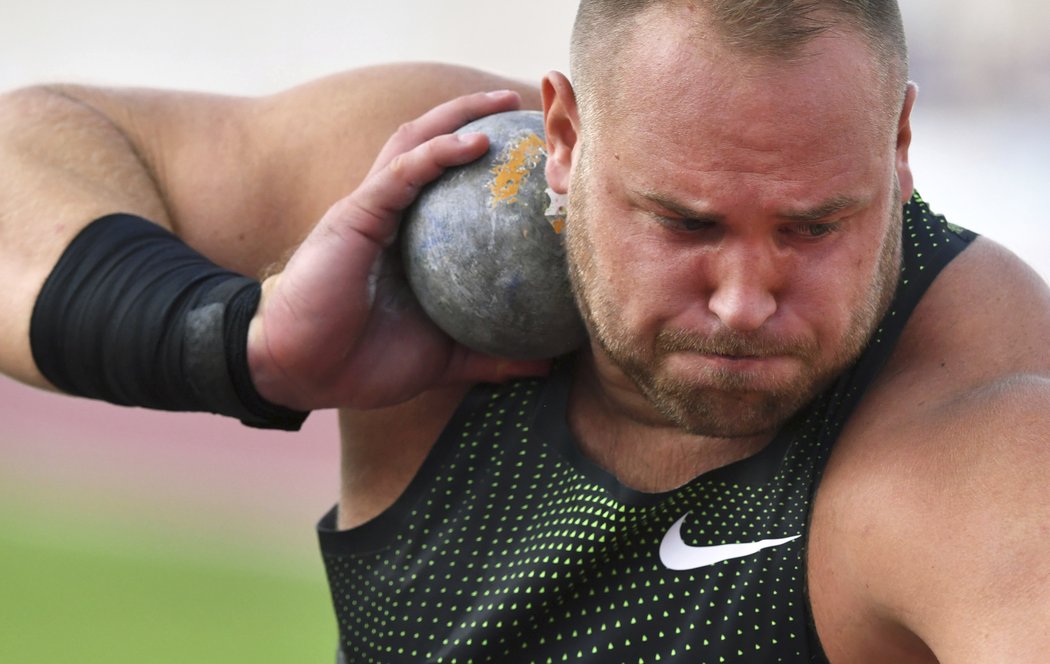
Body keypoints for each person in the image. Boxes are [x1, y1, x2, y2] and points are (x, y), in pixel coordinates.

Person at [2, 0, 1048, 660]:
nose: (744, 298)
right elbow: (30, 148)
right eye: (683, 221)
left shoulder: (983, 423)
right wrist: (234, 340)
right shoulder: (429, 194)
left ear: (899, 145)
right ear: (565, 137)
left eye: (815, 225)